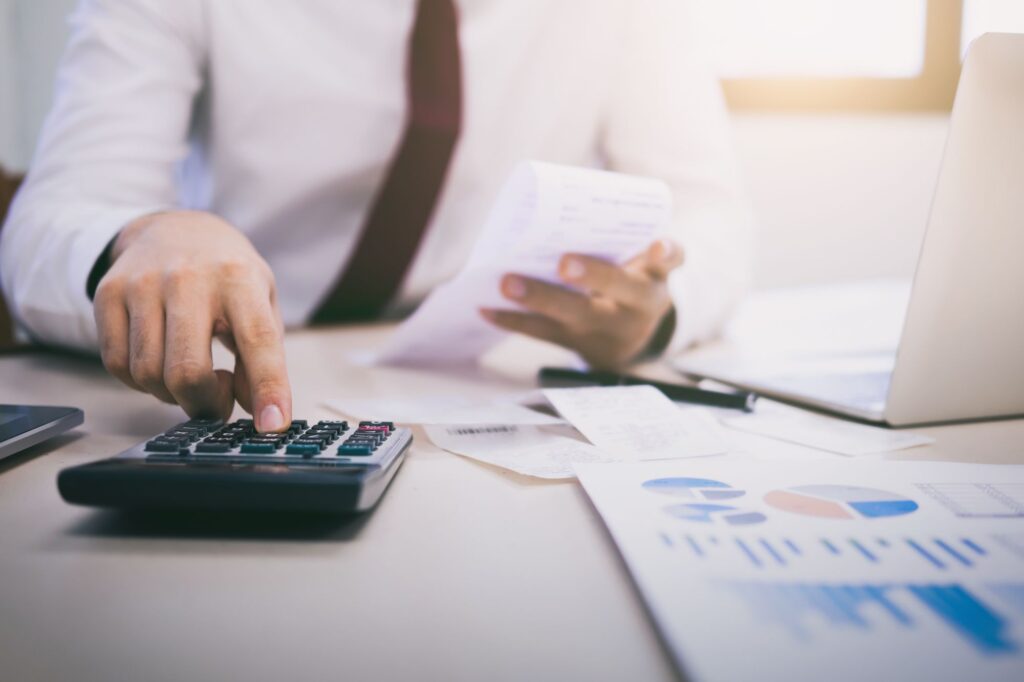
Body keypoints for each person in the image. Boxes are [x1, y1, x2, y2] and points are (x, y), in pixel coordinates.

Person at [0, 0, 753, 433]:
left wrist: (655, 314)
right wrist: (138, 238)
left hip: (491, 388)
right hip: (249, 389)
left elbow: (710, 209)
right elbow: (49, 223)